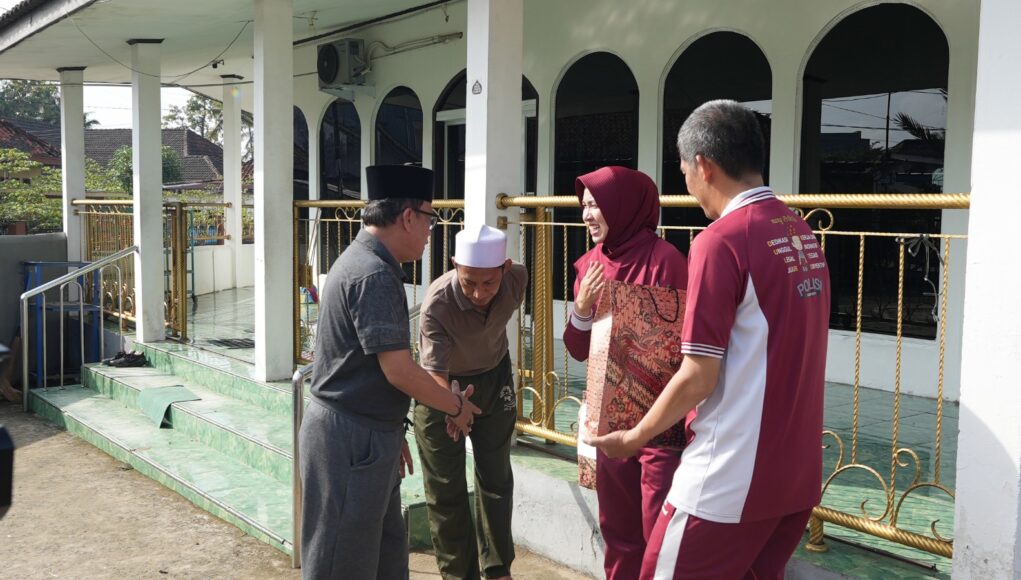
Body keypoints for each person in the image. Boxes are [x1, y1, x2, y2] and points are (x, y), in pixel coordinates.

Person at [587, 100, 831, 579]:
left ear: (703, 165)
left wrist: (633, 437)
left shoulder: (720, 241)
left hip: (727, 480)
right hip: (795, 479)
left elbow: (699, 375)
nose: (689, 186)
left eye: (684, 172)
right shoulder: (801, 233)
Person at [299, 164, 482, 580]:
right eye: (430, 219)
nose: (430, 230)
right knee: (342, 563)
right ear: (407, 217)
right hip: (350, 437)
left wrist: (389, 427)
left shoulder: (363, 262)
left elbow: (369, 367)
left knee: (381, 556)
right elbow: (398, 369)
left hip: (364, 433)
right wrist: (455, 406)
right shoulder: (373, 274)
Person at [563, 165, 689, 580]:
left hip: (659, 424)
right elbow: (578, 350)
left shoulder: (666, 262)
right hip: (608, 417)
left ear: (623, 206)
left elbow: (686, 346)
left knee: (659, 530)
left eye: (596, 204)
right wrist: (582, 308)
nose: (586, 215)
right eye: (583, 206)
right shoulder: (589, 266)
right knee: (617, 529)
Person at [415, 223, 527, 580]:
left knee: (496, 479)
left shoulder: (517, 280)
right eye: (469, 282)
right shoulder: (437, 303)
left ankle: (497, 569)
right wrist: (454, 407)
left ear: (505, 269)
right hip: (442, 386)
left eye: (488, 283)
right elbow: (434, 373)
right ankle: (458, 575)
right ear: (454, 265)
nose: (479, 293)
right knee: (445, 490)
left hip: (494, 377)